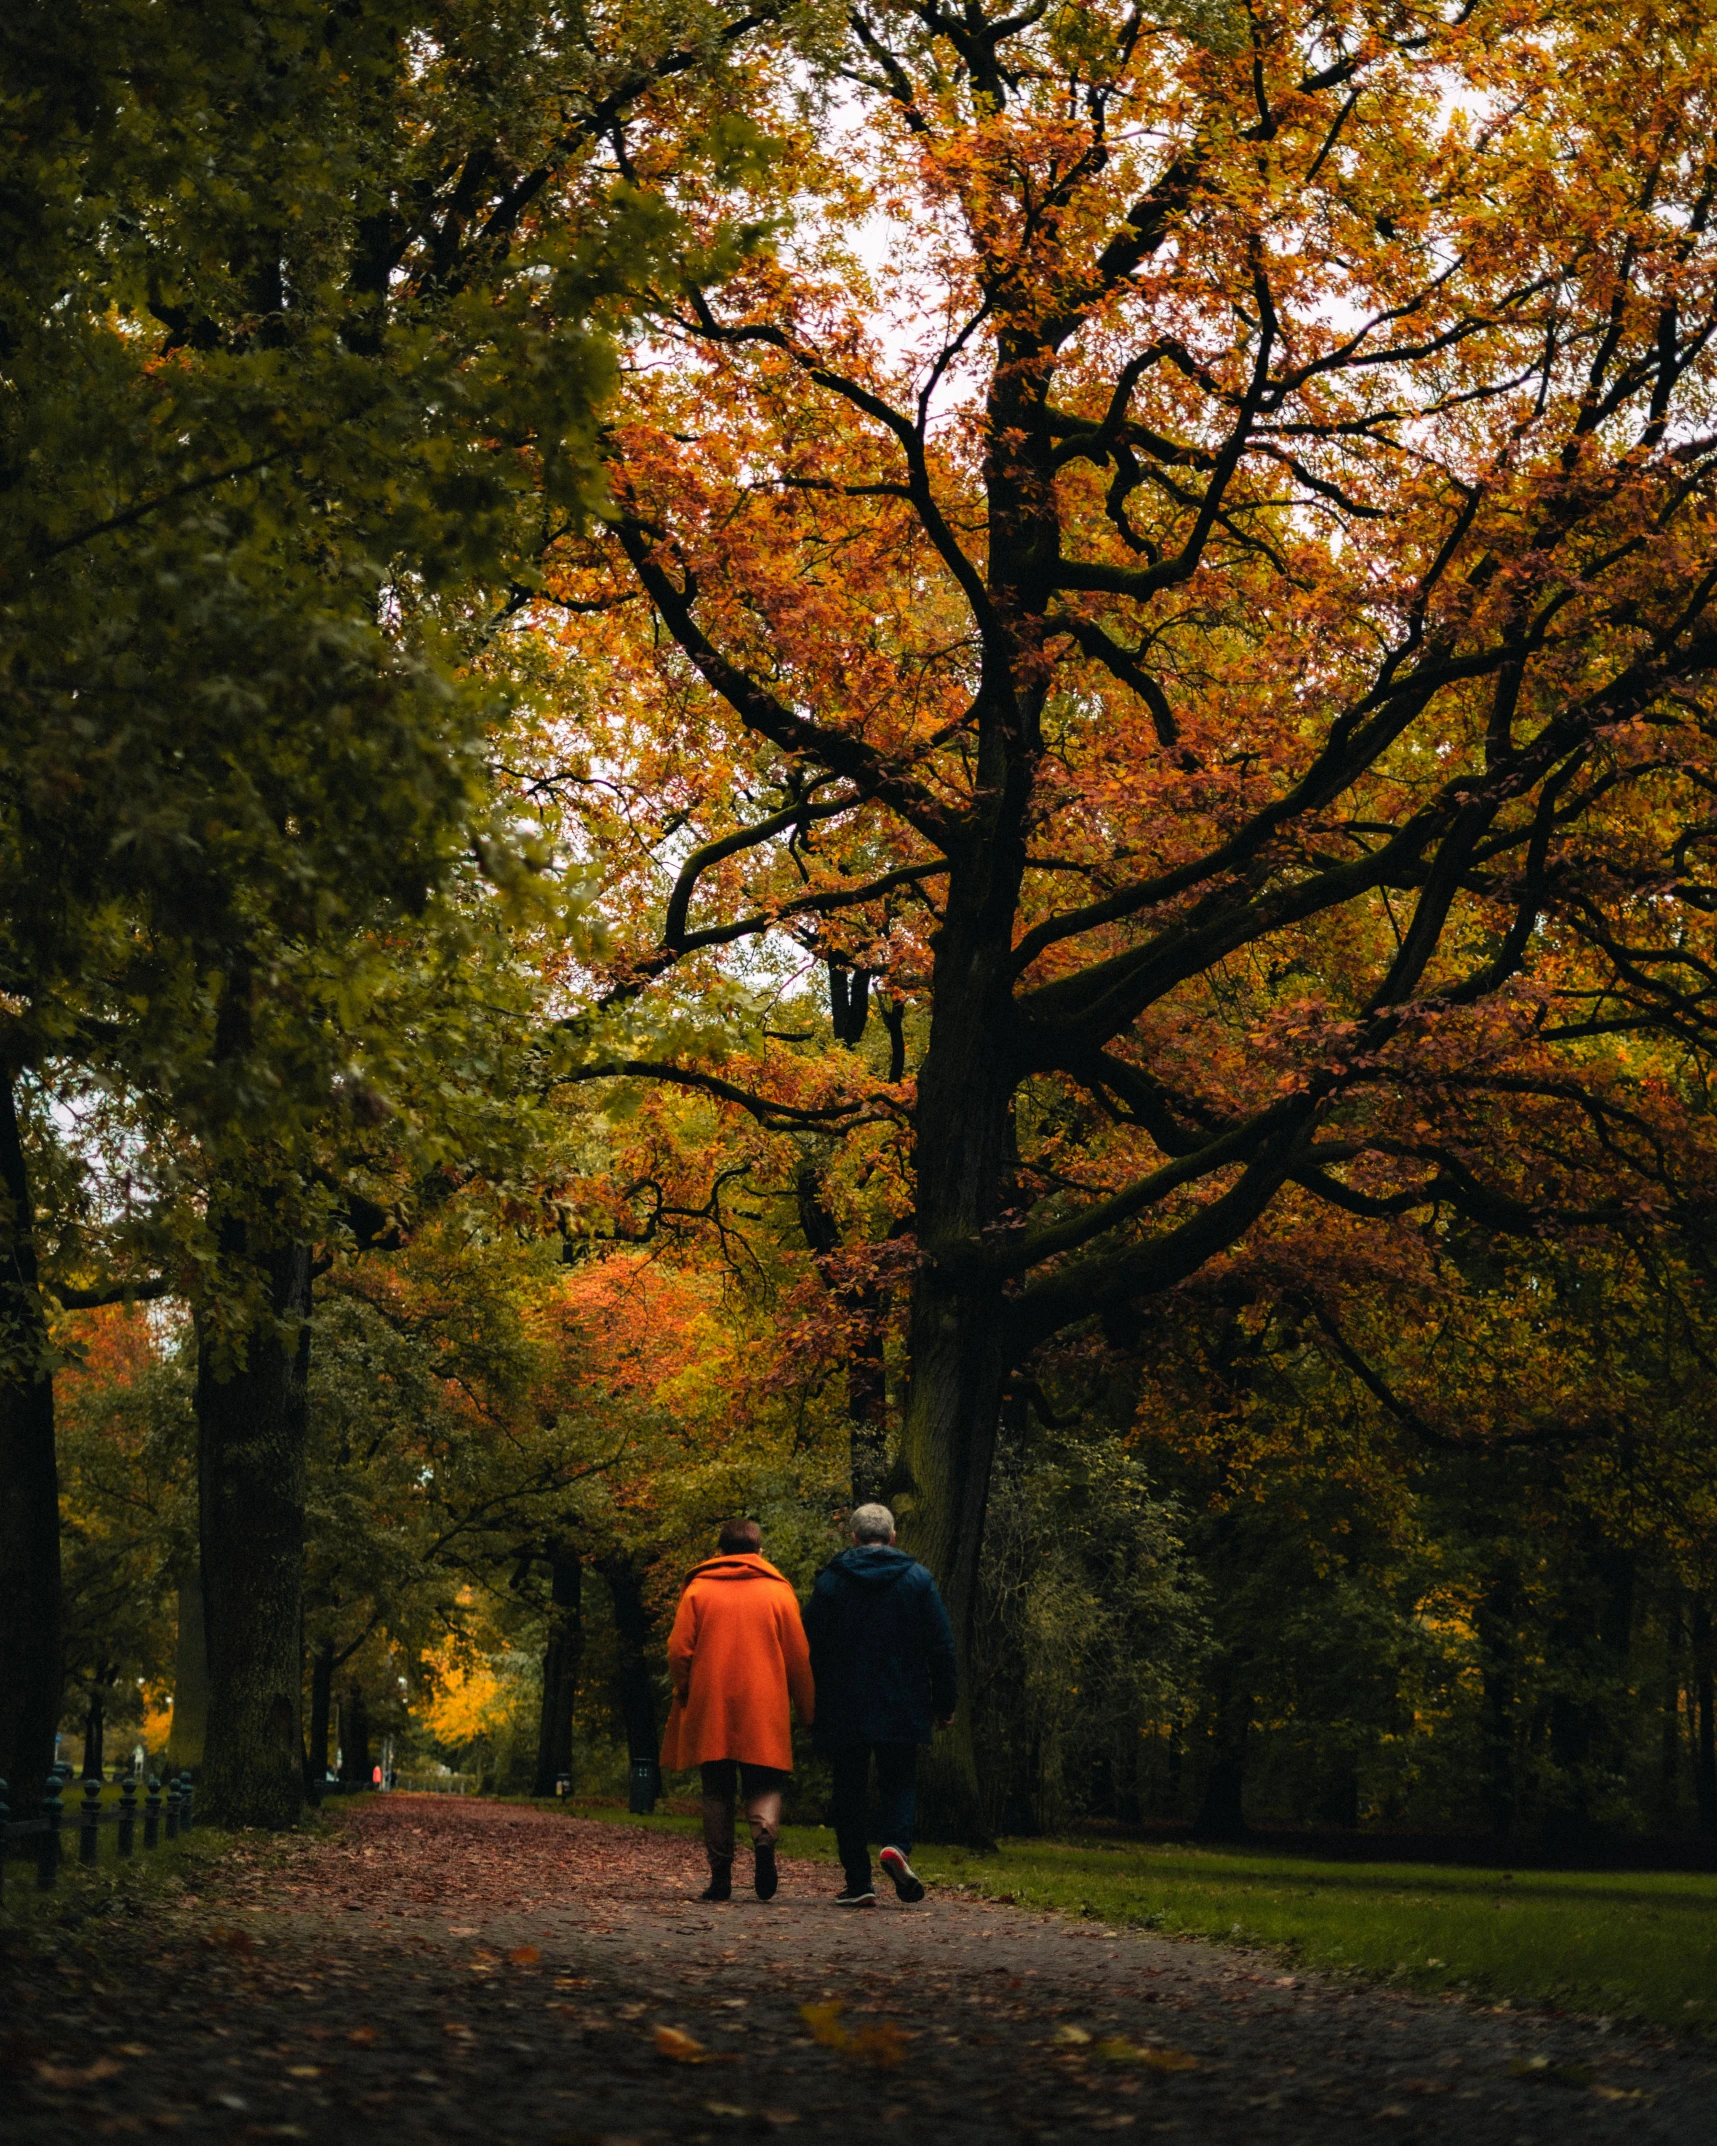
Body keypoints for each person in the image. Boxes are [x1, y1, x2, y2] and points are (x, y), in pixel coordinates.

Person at [803, 1502, 957, 1907]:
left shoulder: (832, 1582)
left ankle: (859, 1882)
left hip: (844, 1702)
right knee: (899, 1781)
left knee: (849, 1789)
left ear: (853, 1538)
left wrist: (810, 1701)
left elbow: (809, 1646)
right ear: (892, 1537)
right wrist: (945, 1703)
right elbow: (941, 1648)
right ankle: (896, 1847)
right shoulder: (918, 1580)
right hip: (903, 1700)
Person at [660, 1517, 815, 1902]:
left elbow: (678, 1650)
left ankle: (721, 1878)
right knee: (763, 1782)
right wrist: (808, 1711)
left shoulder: (697, 1590)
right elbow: (799, 1658)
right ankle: (763, 1841)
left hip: (710, 1704)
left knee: (716, 1790)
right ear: (759, 1551)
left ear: (720, 1551)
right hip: (764, 1705)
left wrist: (685, 1689)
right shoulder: (779, 1593)